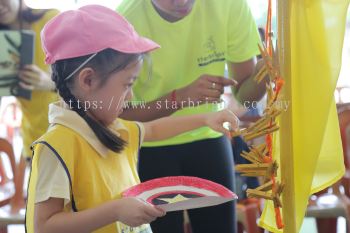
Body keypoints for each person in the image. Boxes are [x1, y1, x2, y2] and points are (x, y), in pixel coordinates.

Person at [25, 5, 240, 233]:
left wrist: (206, 118)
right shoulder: (57, 145)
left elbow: (153, 130)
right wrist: (115, 210)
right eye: (127, 85)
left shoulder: (111, 127)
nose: (131, 96)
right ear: (87, 80)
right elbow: (45, 226)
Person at [117, 0, 265, 232]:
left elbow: (246, 96)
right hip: (149, 144)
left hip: (209, 137)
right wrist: (180, 97)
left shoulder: (231, 6)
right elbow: (119, 115)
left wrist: (267, 71)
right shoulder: (125, 21)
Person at [0, 0, 58, 212]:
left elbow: (87, 75)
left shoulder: (51, 20)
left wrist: (49, 82)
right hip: (33, 138)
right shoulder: (2, 42)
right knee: (43, 212)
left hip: (68, 132)